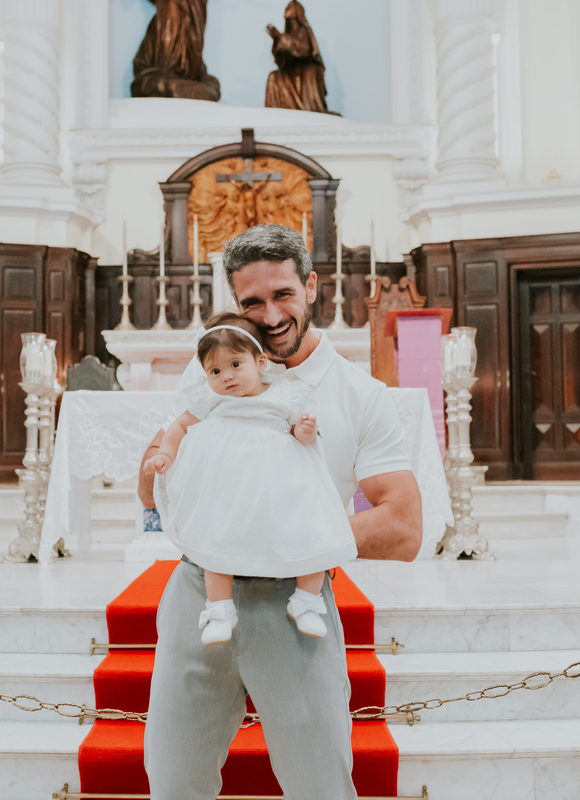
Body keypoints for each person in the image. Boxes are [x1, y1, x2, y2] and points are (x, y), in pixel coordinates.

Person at [140, 224, 423, 800]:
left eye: (283, 296)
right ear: (234, 305)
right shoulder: (211, 376)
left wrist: (284, 538)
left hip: (293, 604)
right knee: (173, 784)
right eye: (252, 302)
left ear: (312, 286)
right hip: (200, 592)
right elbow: (149, 494)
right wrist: (160, 460)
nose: (269, 316)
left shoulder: (357, 394)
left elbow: (404, 528)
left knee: (320, 787)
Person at [142, 313, 357, 645]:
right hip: (228, 488)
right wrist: (166, 455)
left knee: (311, 533)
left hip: (280, 486)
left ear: (260, 362)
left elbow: (299, 433)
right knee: (217, 539)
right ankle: (219, 609)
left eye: (235, 365)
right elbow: (179, 427)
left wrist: (305, 430)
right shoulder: (212, 398)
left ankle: (307, 602)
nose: (226, 376)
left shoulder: (285, 393)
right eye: (215, 371)